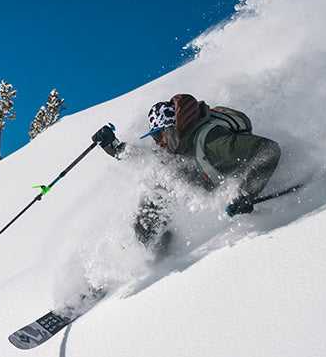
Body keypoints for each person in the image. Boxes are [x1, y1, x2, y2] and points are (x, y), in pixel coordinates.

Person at [90, 94, 281, 252]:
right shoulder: (178, 145)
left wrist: (245, 193)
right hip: (204, 178)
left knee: (161, 181)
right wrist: (111, 146)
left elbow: (268, 150)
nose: (157, 142)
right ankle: (145, 250)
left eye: (158, 135)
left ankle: (151, 250)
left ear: (174, 128)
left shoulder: (212, 141)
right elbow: (145, 157)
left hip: (249, 190)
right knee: (156, 183)